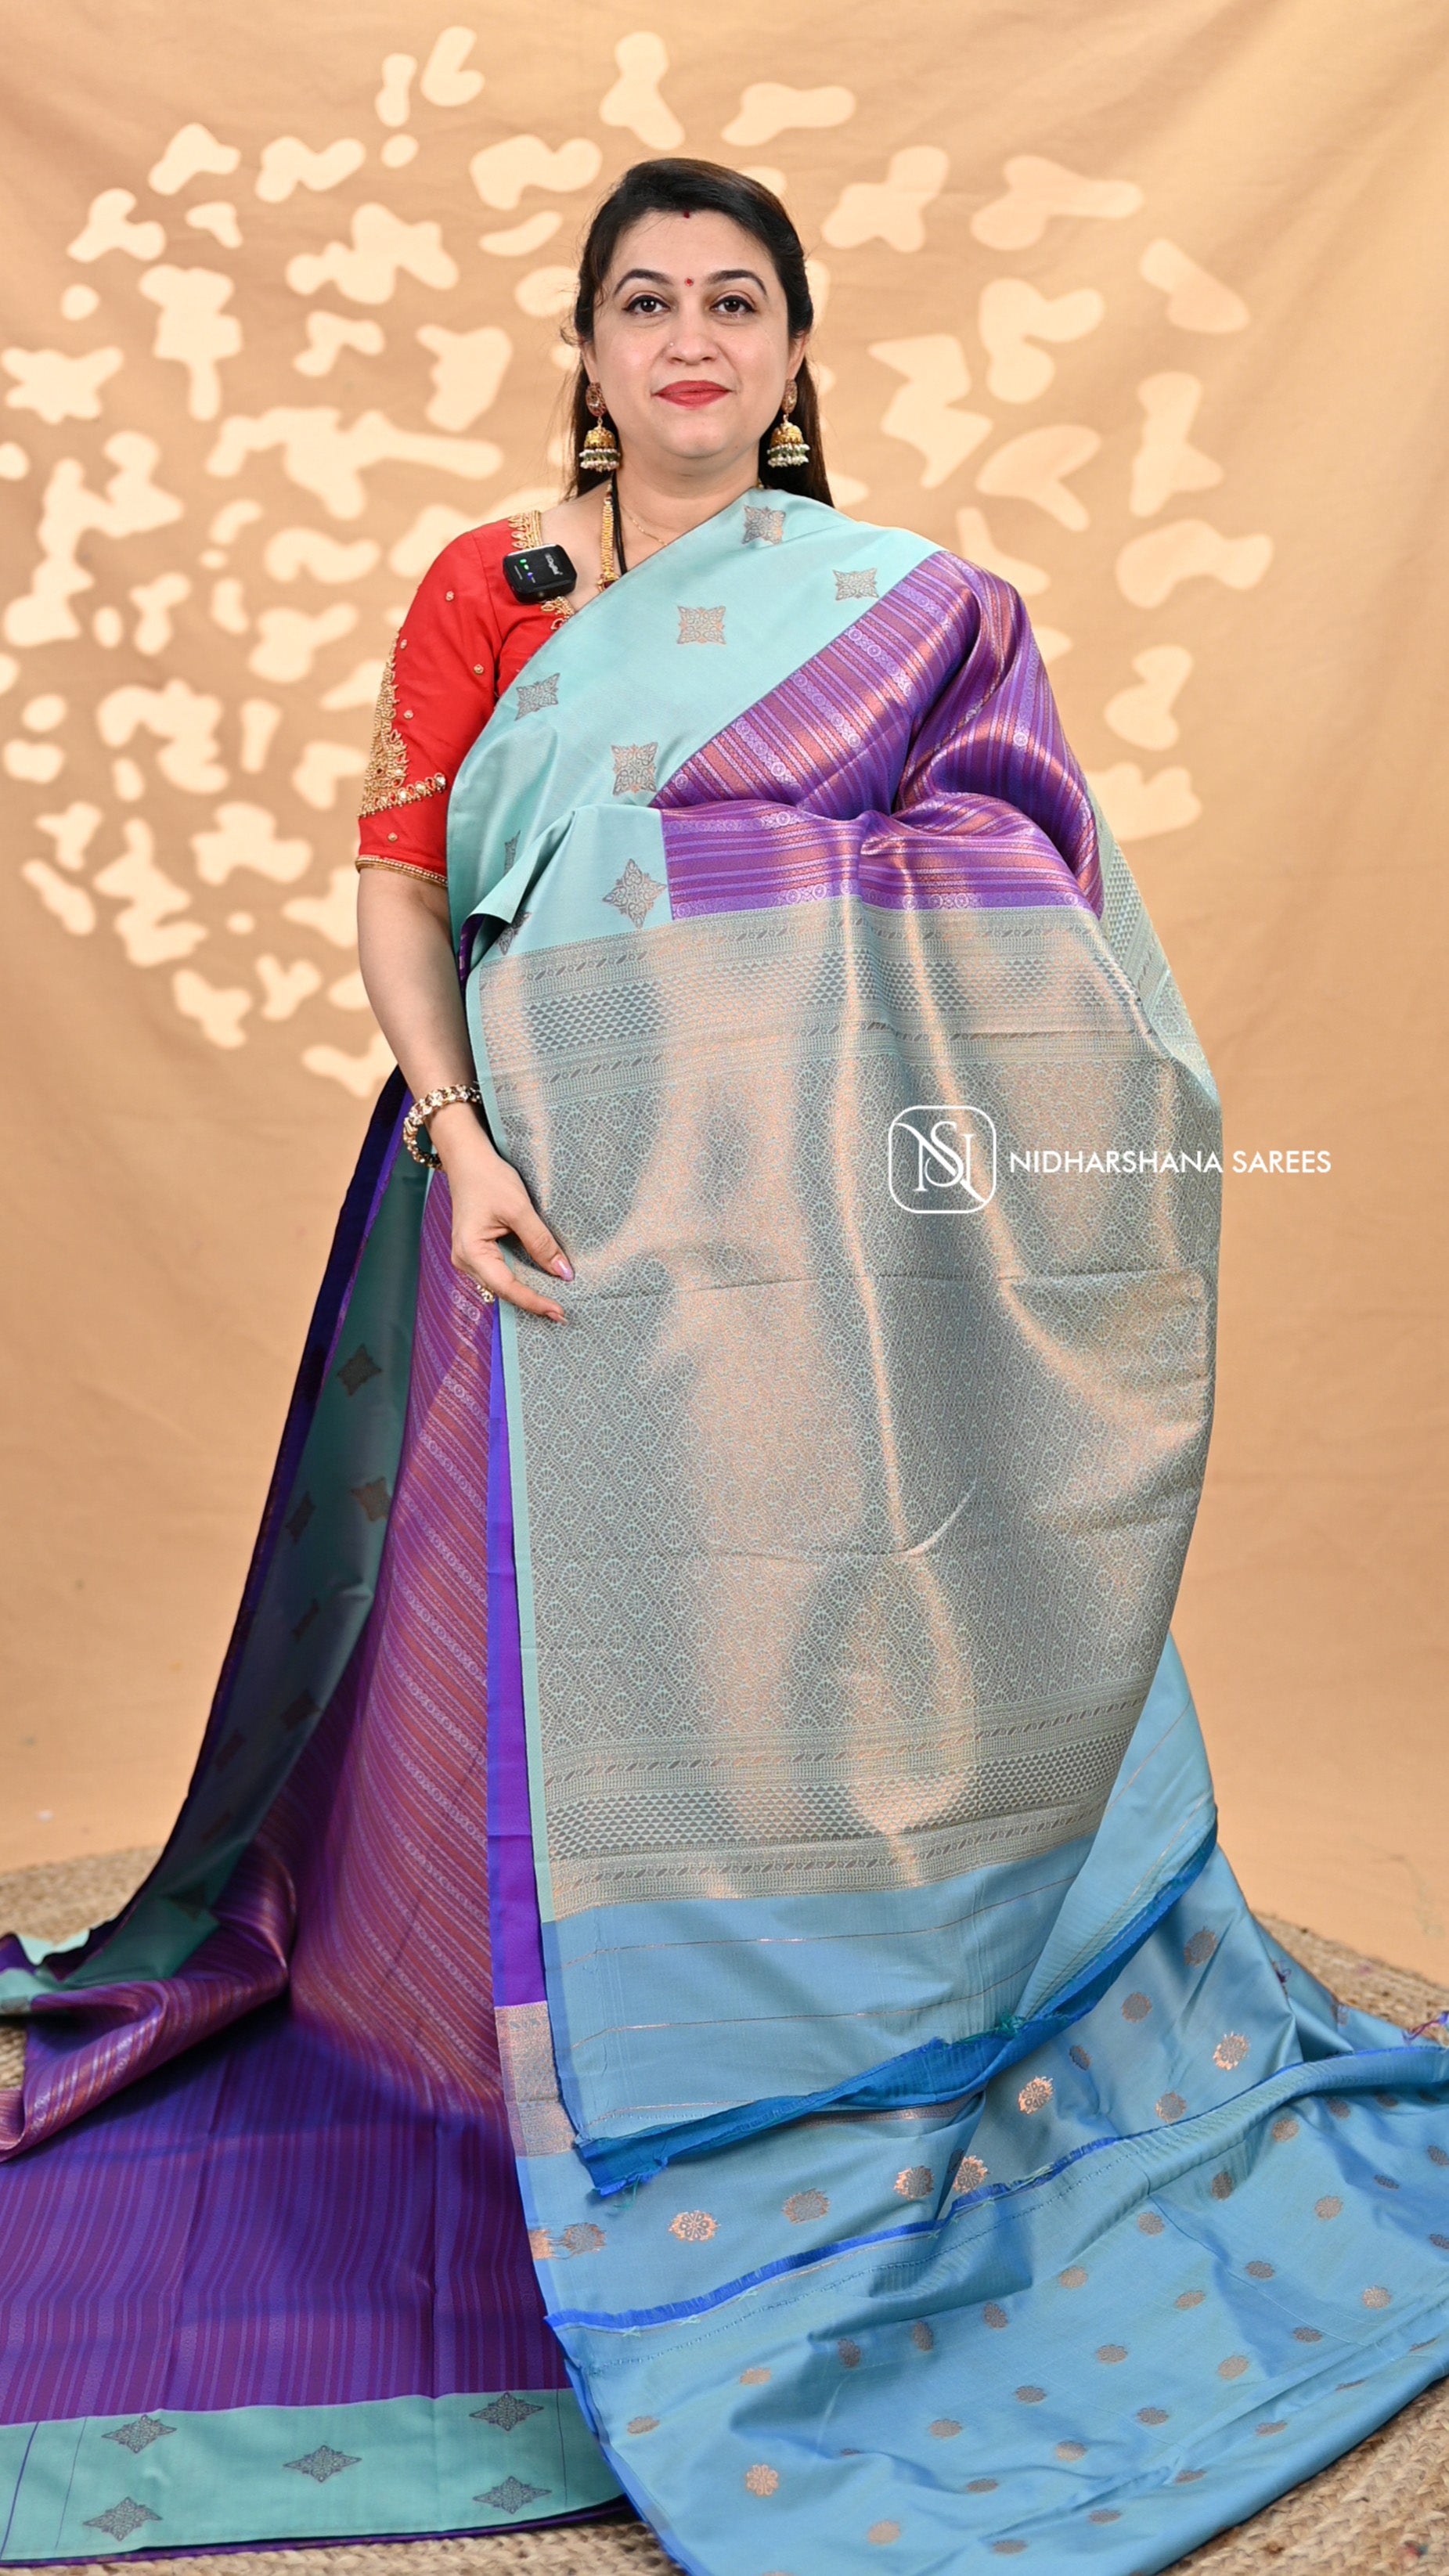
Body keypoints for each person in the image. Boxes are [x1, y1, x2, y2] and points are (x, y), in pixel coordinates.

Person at [2, 157, 1445, 2574]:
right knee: (520, 1682)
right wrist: (457, 1129)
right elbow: (402, 874)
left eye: (735, 302)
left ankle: (841, 2051)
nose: (690, 338)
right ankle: (516, 2089)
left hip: (814, 1246)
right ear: (586, 352)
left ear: (790, 353)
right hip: (540, 1207)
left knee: (807, 1634)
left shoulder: (903, 610)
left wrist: (762, 896)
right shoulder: (495, 588)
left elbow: (1023, 879)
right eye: (646, 302)